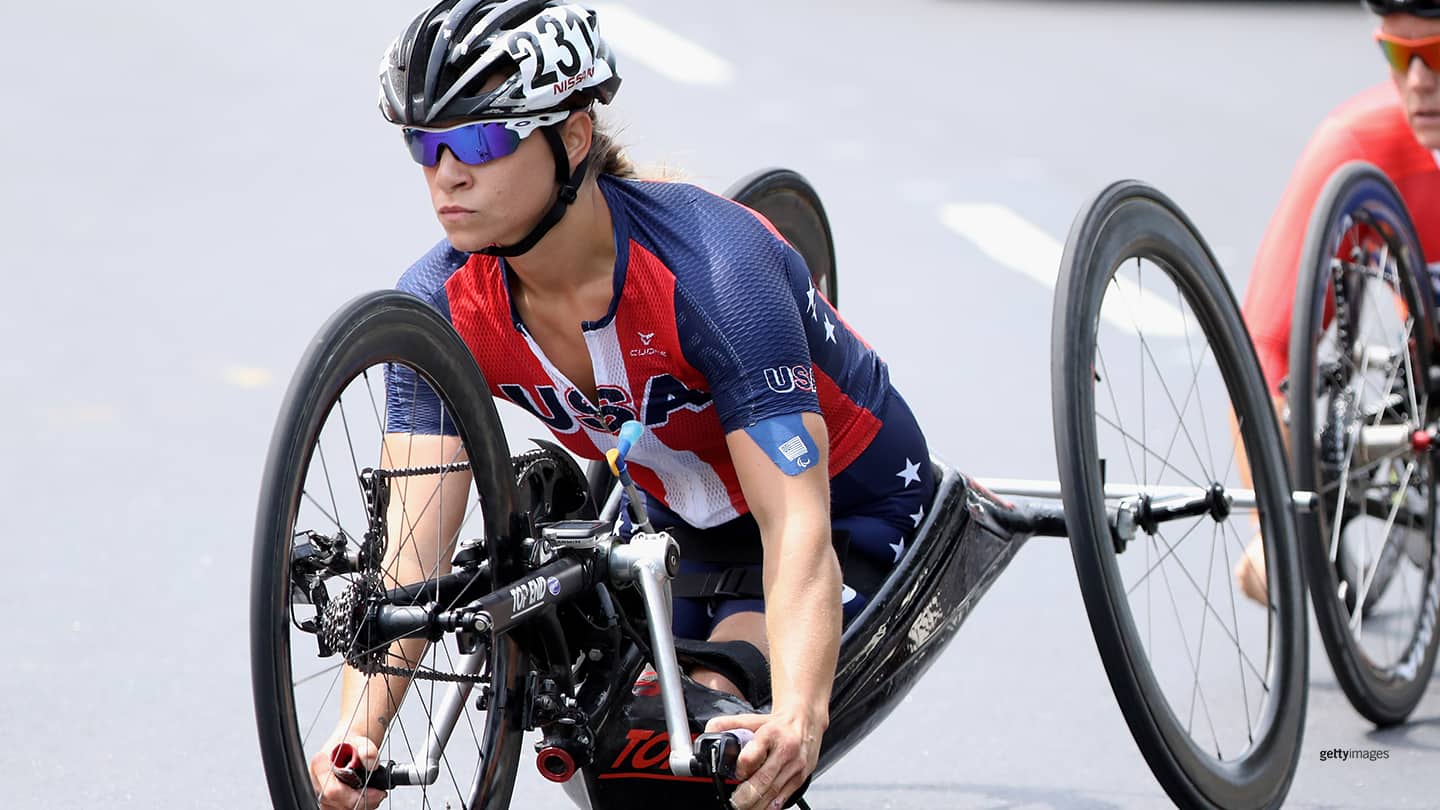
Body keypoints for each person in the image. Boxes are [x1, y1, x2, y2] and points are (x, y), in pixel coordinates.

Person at [308, 2, 935, 808]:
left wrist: (799, 721)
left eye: (481, 139)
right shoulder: (439, 306)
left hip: (850, 510)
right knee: (596, 713)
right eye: (423, 145)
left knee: (699, 739)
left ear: (571, 137)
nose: (446, 174)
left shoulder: (716, 273)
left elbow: (796, 525)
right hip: (678, 524)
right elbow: (410, 560)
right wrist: (360, 735)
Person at [1235, 0, 1440, 604]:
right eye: (1397, 56)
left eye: (1435, 55)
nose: (1418, 83)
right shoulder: (1358, 145)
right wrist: (1271, 525)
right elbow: (1266, 345)